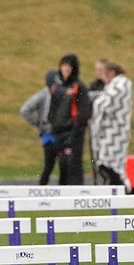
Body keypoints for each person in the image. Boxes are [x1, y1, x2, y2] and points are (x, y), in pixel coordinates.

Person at [47, 53, 92, 185]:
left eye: (69, 66)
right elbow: (53, 110)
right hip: (58, 132)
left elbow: (83, 113)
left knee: (73, 165)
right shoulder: (58, 87)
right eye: (63, 66)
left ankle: (76, 195)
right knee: (62, 166)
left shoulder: (79, 87)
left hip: (73, 134)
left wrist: (74, 132)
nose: (65, 69)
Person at [90, 58, 133, 187]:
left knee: (111, 167)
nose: (102, 77)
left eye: (104, 73)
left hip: (114, 133)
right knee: (107, 167)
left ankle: (123, 190)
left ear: (112, 73)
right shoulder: (116, 85)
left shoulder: (120, 84)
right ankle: (117, 191)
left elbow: (102, 104)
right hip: (111, 133)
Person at [20, 69, 61, 185]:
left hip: (62, 134)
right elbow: (24, 109)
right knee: (49, 165)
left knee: (65, 166)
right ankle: (41, 190)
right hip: (49, 135)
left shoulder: (62, 93)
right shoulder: (43, 95)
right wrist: (39, 123)